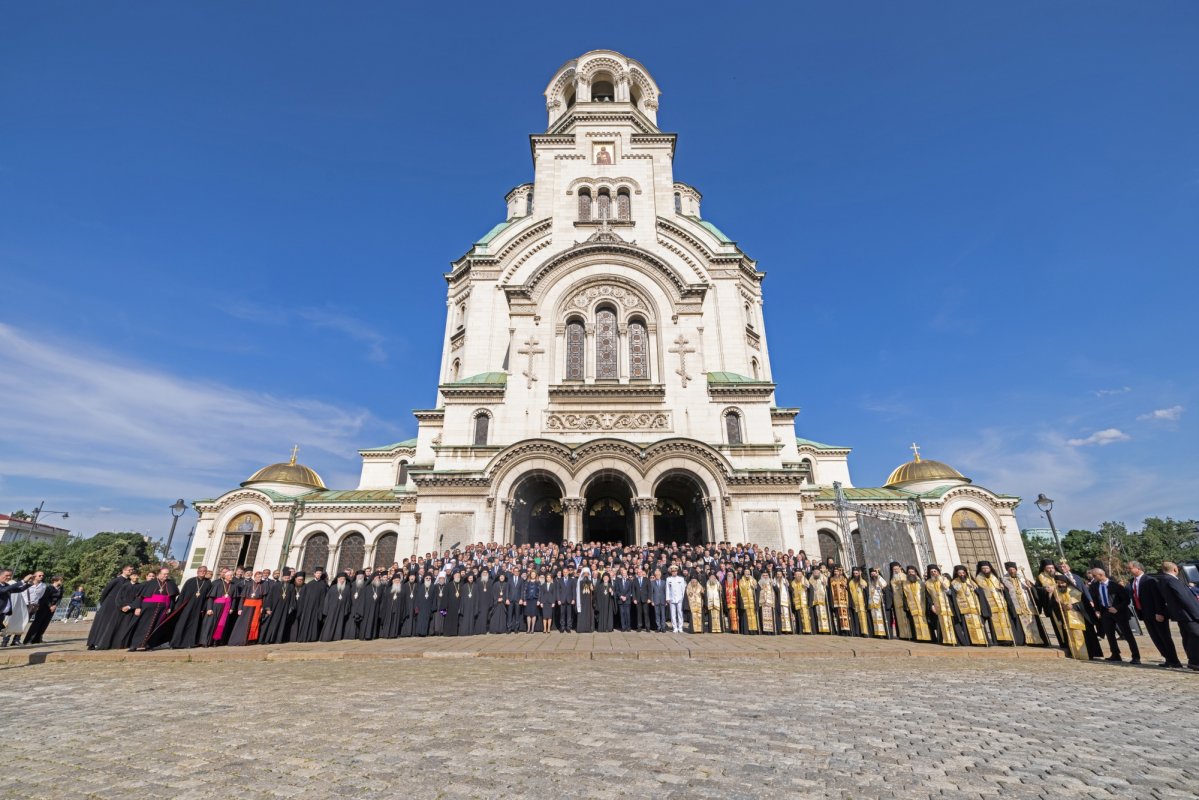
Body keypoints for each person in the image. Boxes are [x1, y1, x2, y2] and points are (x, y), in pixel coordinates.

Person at [1127, 560, 1180, 668]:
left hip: (1156, 613)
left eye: (1130, 568)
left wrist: (1159, 612)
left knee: (1164, 637)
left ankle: (1174, 661)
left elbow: (1158, 597)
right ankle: (1167, 659)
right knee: (1155, 637)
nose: (1128, 570)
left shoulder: (1150, 580)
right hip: (1144, 613)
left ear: (1138, 568)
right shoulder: (1132, 581)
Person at [1089, 566, 1139, 663]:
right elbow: (1095, 599)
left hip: (1119, 613)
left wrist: (1117, 608)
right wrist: (1097, 610)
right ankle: (1115, 654)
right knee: (1110, 634)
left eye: (1094, 576)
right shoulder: (1094, 586)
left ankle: (1136, 656)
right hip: (1105, 613)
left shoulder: (1116, 586)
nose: (1093, 577)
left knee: (1128, 635)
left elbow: (1126, 600)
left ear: (1101, 575)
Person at [1158, 561, 1199, 672]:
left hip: (1181, 615)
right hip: (1188, 614)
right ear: (1175, 569)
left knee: (1188, 636)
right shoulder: (1171, 580)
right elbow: (1184, 598)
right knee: (1196, 636)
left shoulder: (1163, 580)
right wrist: (1197, 613)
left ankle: (1192, 660)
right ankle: (1195, 662)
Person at [127, 567, 179, 652]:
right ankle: (134, 645)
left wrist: (170, 607)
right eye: (164, 574)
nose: (166, 575)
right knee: (142, 626)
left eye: (167, 574)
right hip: (148, 607)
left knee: (156, 627)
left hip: (162, 609)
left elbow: (172, 598)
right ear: (159, 574)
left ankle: (149, 645)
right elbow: (140, 596)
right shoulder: (150, 583)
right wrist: (138, 607)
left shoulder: (171, 584)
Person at [86, 565, 134, 650]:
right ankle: (93, 643)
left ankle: (108, 643)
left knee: (112, 625)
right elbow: (105, 591)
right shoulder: (116, 580)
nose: (131, 571)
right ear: (123, 570)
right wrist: (104, 603)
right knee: (102, 624)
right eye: (129, 570)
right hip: (109, 604)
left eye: (132, 570)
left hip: (119, 606)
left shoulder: (129, 582)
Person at [1001, 562, 1047, 647]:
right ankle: (1024, 641)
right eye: (1010, 570)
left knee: (1033, 621)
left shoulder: (1022, 577)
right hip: (1016, 604)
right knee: (1020, 622)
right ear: (1007, 570)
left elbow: (1032, 588)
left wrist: (1030, 586)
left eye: (1013, 569)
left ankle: (1038, 641)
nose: (1012, 571)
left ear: (1016, 569)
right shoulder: (1004, 580)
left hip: (1027, 603)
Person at [1051, 572, 1092, 661]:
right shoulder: (1056, 591)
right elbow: (1056, 603)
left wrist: (1071, 605)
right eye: (1058, 583)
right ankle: (1075, 654)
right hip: (1065, 617)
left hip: (1076, 616)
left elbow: (1078, 602)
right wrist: (1057, 602)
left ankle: (1083, 655)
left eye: (1062, 583)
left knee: (1078, 635)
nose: (1060, 585)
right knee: (1070, 637)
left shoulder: (1073, 590)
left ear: (1066, 582)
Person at [974, 562, 1015, 646]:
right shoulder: (978, 578)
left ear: (990, 568)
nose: (985, 570)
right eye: (983, 568)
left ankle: (1009, 639)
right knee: (994, 623)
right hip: (990, 603)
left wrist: (1002, 587)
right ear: (981, 569)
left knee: (1005, 621)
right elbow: (982, 590)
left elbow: (1002, 587)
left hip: (1000, 602)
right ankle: (998, 640)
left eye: (987, 568)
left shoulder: (995, 577)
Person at [170, 567, 211, 649]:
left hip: (198, 607)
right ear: (197, 572)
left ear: (206, 572)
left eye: (204, 571)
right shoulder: (190, 581)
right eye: (201, 571)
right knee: (182, 623)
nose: (202, 572)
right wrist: (178, 606)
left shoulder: (208, 582)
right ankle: (175, 643)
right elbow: (183, 594)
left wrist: (204, 607)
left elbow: (207, 597)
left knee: (193, 625)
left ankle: (188, 643)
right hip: (187, 606)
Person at [948, 565, 988, 646]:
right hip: (964, 607)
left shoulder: (971, 580)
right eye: (959, 573)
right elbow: (953, 594)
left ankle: (983, 641)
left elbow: (979, 592)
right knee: (968, 626)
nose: (962, 574)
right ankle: (972, 642)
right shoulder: (954, 582)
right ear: (957, 573)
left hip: (974, 605)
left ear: (966, 573)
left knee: (979, 624)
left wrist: (974, 588)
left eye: (963, 573)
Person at [228, 570, 268, 646]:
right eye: (258, 577)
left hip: (257, 606)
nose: (259, 578)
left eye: (260, 577)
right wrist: (240, 608)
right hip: (247, 605)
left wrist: (263, 607)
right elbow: (242, 597)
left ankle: (250, 639)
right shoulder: (248, 584)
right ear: (254, 577)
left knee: (254, 623)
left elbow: (264, 598)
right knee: (244, 623)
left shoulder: (263, 586)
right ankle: (240, 639)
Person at [200, 568, 237, 647]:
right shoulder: (218, 584)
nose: (232, 577)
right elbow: (211, 597)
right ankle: (205, 642)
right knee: (210, 624)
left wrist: (232, 608)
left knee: (221, 624)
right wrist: (209, 608)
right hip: (215, 607)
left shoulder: (233, 586)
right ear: (226, 576)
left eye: (232, 575)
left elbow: (234, 599)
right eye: (230, 575)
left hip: (226, 608)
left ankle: (215, 641)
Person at [925, 565, 957, 646]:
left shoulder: (944, 579)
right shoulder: (927, 583)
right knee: (941, 623)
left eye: (935, 571)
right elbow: (928, 596)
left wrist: (945, 587)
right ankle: (945, 640)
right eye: (931, 572)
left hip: (947, 604)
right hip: (937, 606)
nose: (933, 573)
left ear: (938, 572)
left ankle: (953, 640)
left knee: (950, 622)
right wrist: (931, 605)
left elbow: (950, 592)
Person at [0, 569, 32, 647]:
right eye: (6, 575)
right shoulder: (4, 587)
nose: (9, 577)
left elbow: (19, 589)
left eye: (10, 575)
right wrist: (23, 581)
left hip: (2, 613)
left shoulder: (6, 585)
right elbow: (3, 590)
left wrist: (29, 583)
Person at [901, 566, 932, 642]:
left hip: (922, 605)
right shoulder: (905, 584)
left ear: (916, 573)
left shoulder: (921, 582)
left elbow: (927, 594)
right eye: (909, 572)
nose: (910, 573)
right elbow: (904, 596)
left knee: (924, 621)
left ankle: (928, 637)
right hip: (912, 606)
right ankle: (919, 638)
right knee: (915, 622)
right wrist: (906, 605)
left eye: (912, 572)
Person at [888, 562, 912, 640]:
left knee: (905, 618)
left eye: (896, 569)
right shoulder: (893, 578)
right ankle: (902, 635)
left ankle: (909, 635)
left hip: (904, 599)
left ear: (900, 568)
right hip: (896, 600)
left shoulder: (904, 576)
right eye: (894, 569)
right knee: (899, 618)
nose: (895, 570)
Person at [665, 565, 686, 634]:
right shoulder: (668, 579)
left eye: (675, 571)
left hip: (680, 598)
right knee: (672, 614)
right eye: (673, 571)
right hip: (672, 598)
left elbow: (683, 589)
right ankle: (675, 628)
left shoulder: (681, 579)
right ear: (671, 572)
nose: (674, 573)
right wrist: (667, 598)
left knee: (680, 613)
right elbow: (667, 589)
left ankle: (680, 627)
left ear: (677, 572)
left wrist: (683, 598)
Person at [576, 569, 594, 633]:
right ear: (582, 574)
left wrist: (592, 589)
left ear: (589, 574)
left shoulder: (590, 582)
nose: (586, 575)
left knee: (588, 614)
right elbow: (578, 591)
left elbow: (593, 591)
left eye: (587, 573)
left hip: (588, 601)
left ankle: (588, 628)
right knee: (582, 614)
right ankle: (581, 628)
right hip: (582, 600)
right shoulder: (580, 582)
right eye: (584, 573)